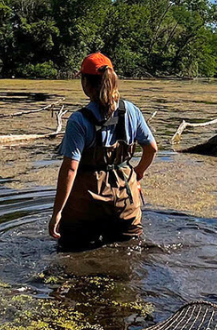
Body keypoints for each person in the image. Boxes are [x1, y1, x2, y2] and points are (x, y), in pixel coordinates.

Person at [49, 52, 157, 249]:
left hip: (87, 204)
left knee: (71, 254)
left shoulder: (78, 120)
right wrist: (137, 173)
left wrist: (57, 212)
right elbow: (151, 148)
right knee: (129, 252)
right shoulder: (131, 111)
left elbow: (70, 169)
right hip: (126, 200)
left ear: (85, 84)